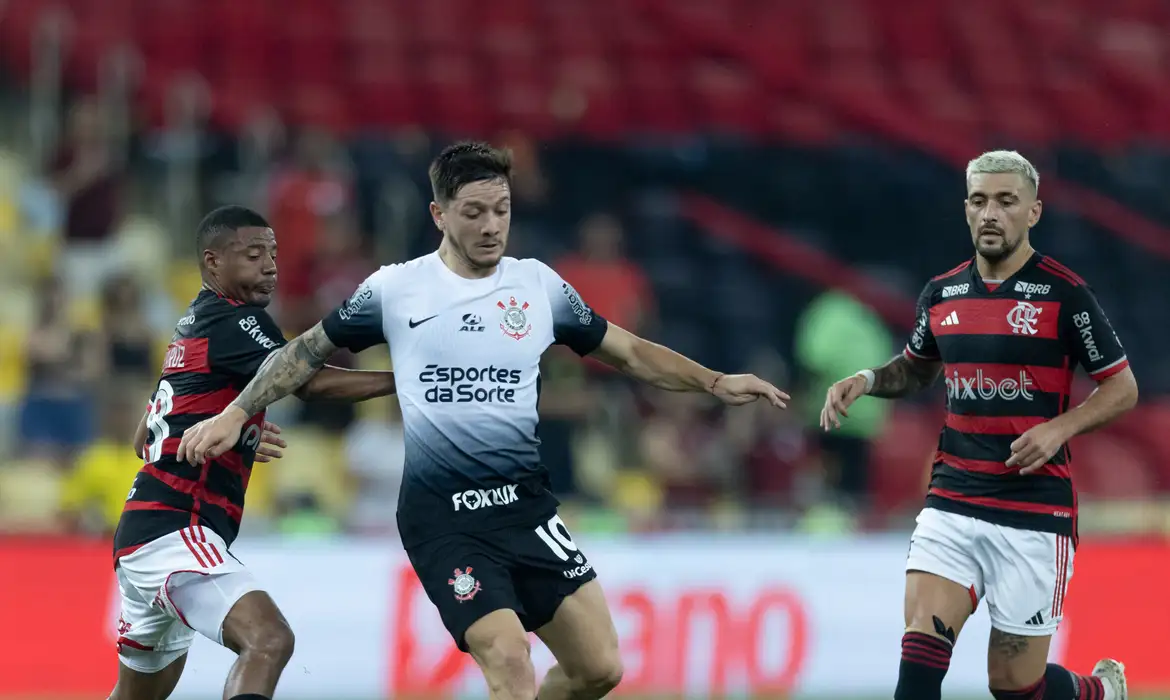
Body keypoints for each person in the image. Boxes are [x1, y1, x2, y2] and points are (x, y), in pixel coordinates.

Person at [177, 142, 790, 700]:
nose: (491, 224)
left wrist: (714, 380)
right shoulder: (397, 290)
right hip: (444, 519)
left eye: (501, 209)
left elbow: (626, 351)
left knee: (600, 668)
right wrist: (238, 410)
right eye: (473, 211)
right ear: (440, 214)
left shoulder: (538, 288)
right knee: (509, 659)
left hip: (527, 509)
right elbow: (303, 352)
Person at [821, 151, 1136, 700]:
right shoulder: (942, 294)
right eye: (979, 200)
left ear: (1033, 212)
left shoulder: (1065, 295)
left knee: (1014, 687)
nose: (990, 213)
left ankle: (1099, 693)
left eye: (1006, 201)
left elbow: (1123, 387)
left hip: (1034, 511)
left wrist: (1059, 428)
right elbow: (916, 369)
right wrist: (869, 379)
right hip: (952, 503)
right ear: (966, 209)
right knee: (917, 668)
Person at [109, 205, 398, 700]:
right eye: (253, 254)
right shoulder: (236, 320)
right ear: (213, 262)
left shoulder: (192, 325)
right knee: (268, 640)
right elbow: (307, 383)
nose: (270, 265)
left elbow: (144, 439)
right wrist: (411, 381)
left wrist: (232, 429)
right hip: (176, 527)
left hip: (146, 532)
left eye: (273, 253)